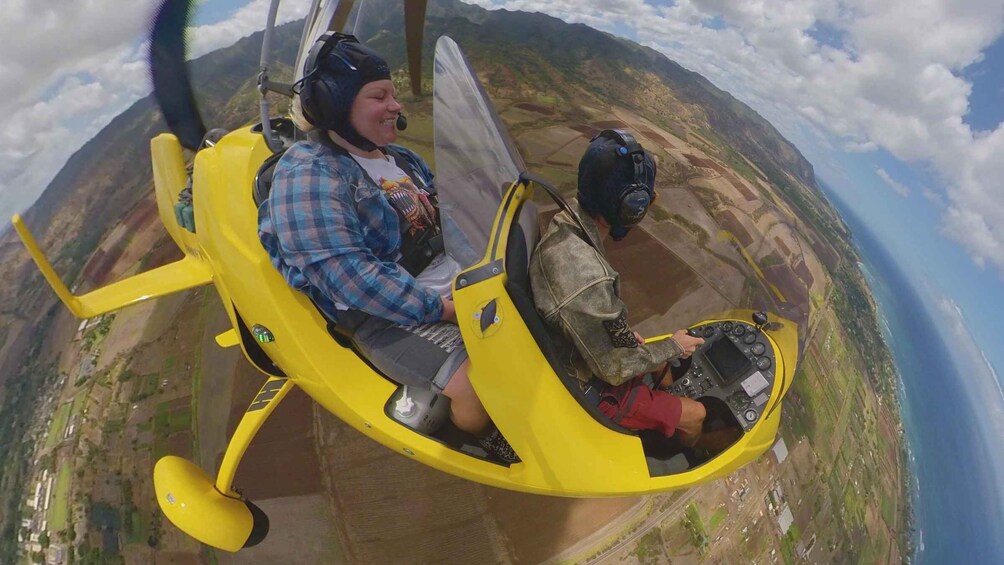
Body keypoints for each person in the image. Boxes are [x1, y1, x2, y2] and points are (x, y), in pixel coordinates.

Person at [257, 33, 517, 463]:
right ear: (337, 107)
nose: (396, 106)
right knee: (478, 385)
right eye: (380, 96)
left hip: (453, 282)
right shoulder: (307, 178)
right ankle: (482, 437)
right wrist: (447, 310)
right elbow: (350, 278)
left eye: (393, 94)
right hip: (386, 316)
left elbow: (449, 214)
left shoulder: (399, 159)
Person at [529, 130, 711, 447]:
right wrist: (674, 347)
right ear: (631, 207)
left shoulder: (567, 221)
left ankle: (659, 410)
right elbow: (614, 369)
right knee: (697, 413)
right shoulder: (589, 277)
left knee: (661, 367)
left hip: (572, 349)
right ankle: (669, 447)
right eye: (646, 202)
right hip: (584, 385)